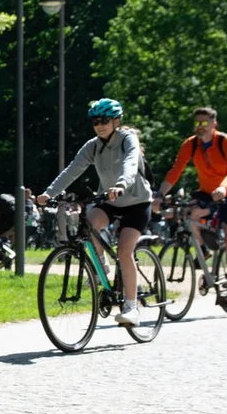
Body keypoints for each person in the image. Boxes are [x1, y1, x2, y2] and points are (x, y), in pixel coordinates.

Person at [36, 98, 153, 327]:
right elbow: (72, 170)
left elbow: (130, 163)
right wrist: (48, 193)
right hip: (110, 200)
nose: (99, 125)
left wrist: (121, 184)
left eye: (104, 121)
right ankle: (100, 268)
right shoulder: (93, 145)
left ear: (116, 121)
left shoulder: (127, 139)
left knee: (125, 249)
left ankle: (131, 307)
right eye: (95, 122)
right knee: (88, 224)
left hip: (136, 202)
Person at [152, 106, 227, 312]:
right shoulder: (190, 145)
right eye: (197, 123)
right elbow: (176, 171)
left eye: (204, 123)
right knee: (187, 213)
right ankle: (203, 249)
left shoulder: (224, 141)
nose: (200, 127)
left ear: (214, 124)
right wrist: (159, 195)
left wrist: (223, 187)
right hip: (206, 191)